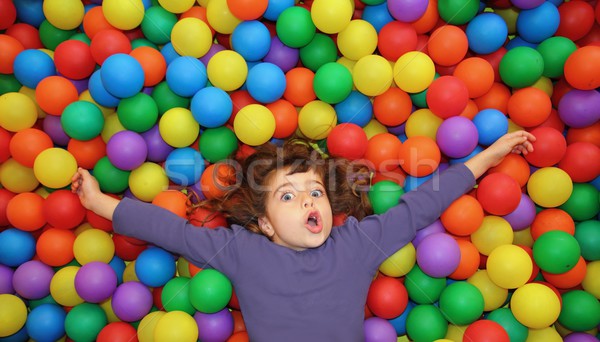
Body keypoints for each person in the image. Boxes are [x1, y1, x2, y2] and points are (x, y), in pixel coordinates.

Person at [72, 130, 535, 341]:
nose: (309, 201)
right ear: (266, 224)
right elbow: (170, 229)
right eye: (288, 198)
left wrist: (485, 160)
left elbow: (419, 208)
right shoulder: (241, 251)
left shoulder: (356, 242)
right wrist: (99, 204)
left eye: (314, 192)